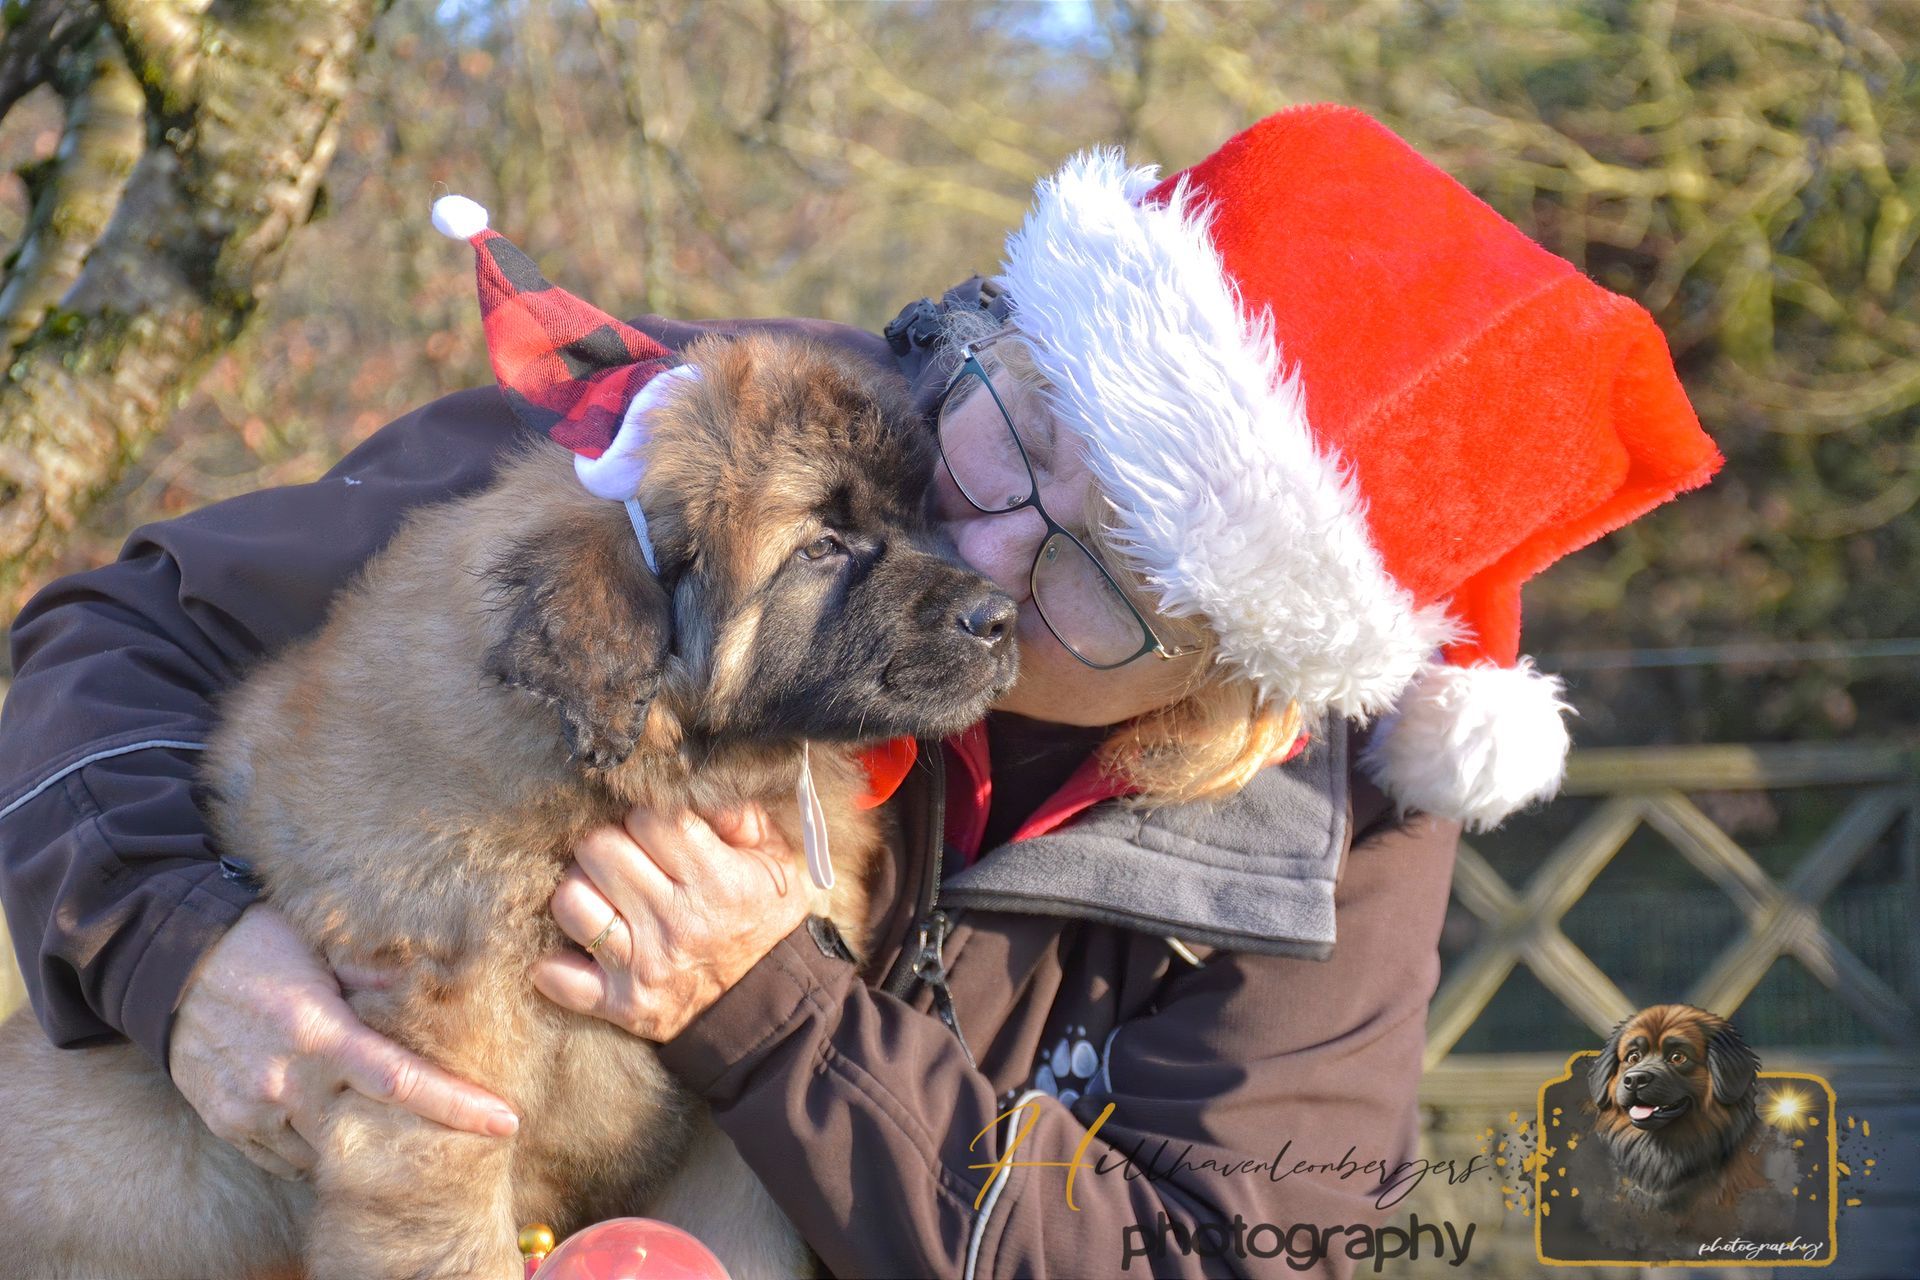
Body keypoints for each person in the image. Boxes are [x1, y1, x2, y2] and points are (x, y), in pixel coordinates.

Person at [0, 106, 1718, 1276]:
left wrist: (782, 1017)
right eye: (1023, 428)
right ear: (1005, 326)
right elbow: (114, 641)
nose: (985, 544)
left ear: (1245, 689)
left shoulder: (1329, 836)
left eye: (1109, 581)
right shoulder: (708, 450)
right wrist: (181, 951)